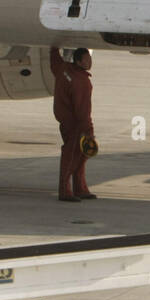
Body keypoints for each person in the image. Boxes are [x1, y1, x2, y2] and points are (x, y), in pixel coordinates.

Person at [51, 47, 96, 201]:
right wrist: (88, 129)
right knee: (73, 157)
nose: (90, 62)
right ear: (78, 61)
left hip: (64, 121)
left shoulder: (64, 70)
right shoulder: (82, 82)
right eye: (86, 59)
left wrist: (53, 48)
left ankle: (80, 188)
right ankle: (65, 190)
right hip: (76, 124)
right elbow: (83, 109)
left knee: (79, 155)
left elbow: (54, 63)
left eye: (90, 59)